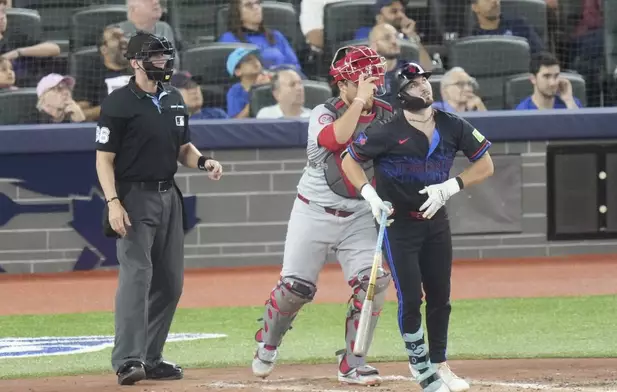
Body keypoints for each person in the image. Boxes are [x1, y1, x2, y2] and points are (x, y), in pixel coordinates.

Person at [341, 62, 495, 392]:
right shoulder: (386, 131)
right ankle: (421, 368)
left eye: (425, 80)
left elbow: (485, 164)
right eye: (413, 83)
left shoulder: (452, 125)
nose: (423, 86)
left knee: (441, 297)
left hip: (435, 223)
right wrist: (369, 194)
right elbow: (349, 160)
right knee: (411, 298)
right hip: (397, 225)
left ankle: (439, 364)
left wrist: (451, 187)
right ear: (401, 94)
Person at [251, 45, 395, 386]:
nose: (370, 85)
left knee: (373, 283)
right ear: (343, 84)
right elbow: (338, 138)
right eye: (361, 80)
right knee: (295, 289)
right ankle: (268, 341)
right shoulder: (324, 112)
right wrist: (359, 101)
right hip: (313, 211)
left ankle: (353, 361)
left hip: (360, 213)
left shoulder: (390, 114)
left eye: (372, 79)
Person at [95, 31, 224, 386]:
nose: (164, 63)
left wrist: (203, 162)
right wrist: (113, 202)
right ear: (136, 63)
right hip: (134, 197)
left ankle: (151, 357)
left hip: (170, 196)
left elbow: (183, 147)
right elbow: (104, 160)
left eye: (166, 57)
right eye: (156, 57)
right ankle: (127, 360)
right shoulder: (118, 103)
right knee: (137, 278)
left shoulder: (174, 99)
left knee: (170, 284)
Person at [218, 0, 301, 70]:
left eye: (258, 3)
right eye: (249, 5)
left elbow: (295, 67)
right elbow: (232, 71)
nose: (256, 7)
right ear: (238, 13)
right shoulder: (229, 39)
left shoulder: (276, 36)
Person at [515, 52, 583, 110]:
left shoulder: (572, 103)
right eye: (546, 76)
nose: (552, 83)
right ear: (533, 79)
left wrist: (569, 100)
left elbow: (582, 125)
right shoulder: (523, 110)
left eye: (556, 76)